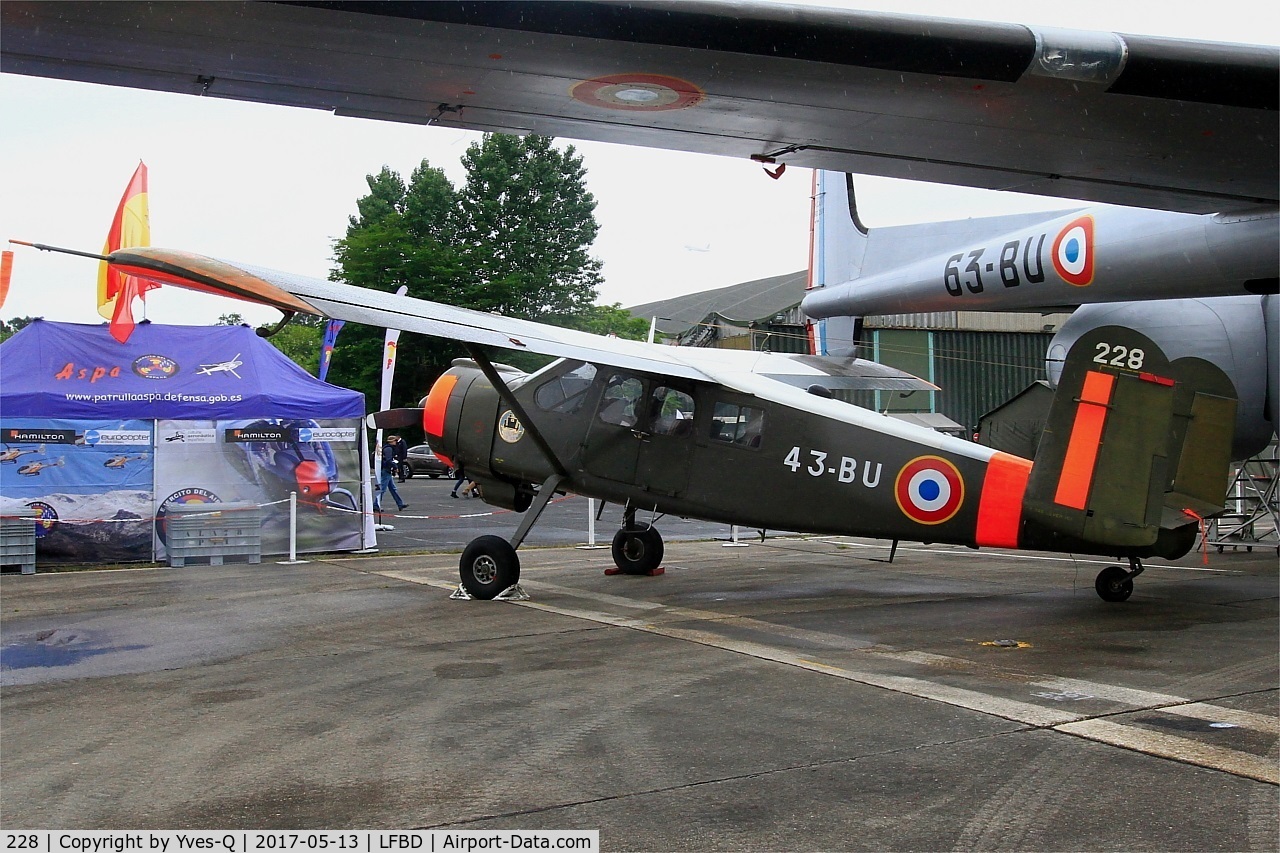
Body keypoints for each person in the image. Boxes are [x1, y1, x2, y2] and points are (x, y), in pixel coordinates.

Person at [376, 435, 407, 512]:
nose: (396, 442)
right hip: (386, 470)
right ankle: (375, 504)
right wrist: (395, 466)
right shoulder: (389, 449)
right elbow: (389, 460)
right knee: (382, 488)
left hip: (386, 470)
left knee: (393, 488)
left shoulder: (386, 448)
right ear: (391, 442)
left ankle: (400, 504)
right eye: (395, 441)